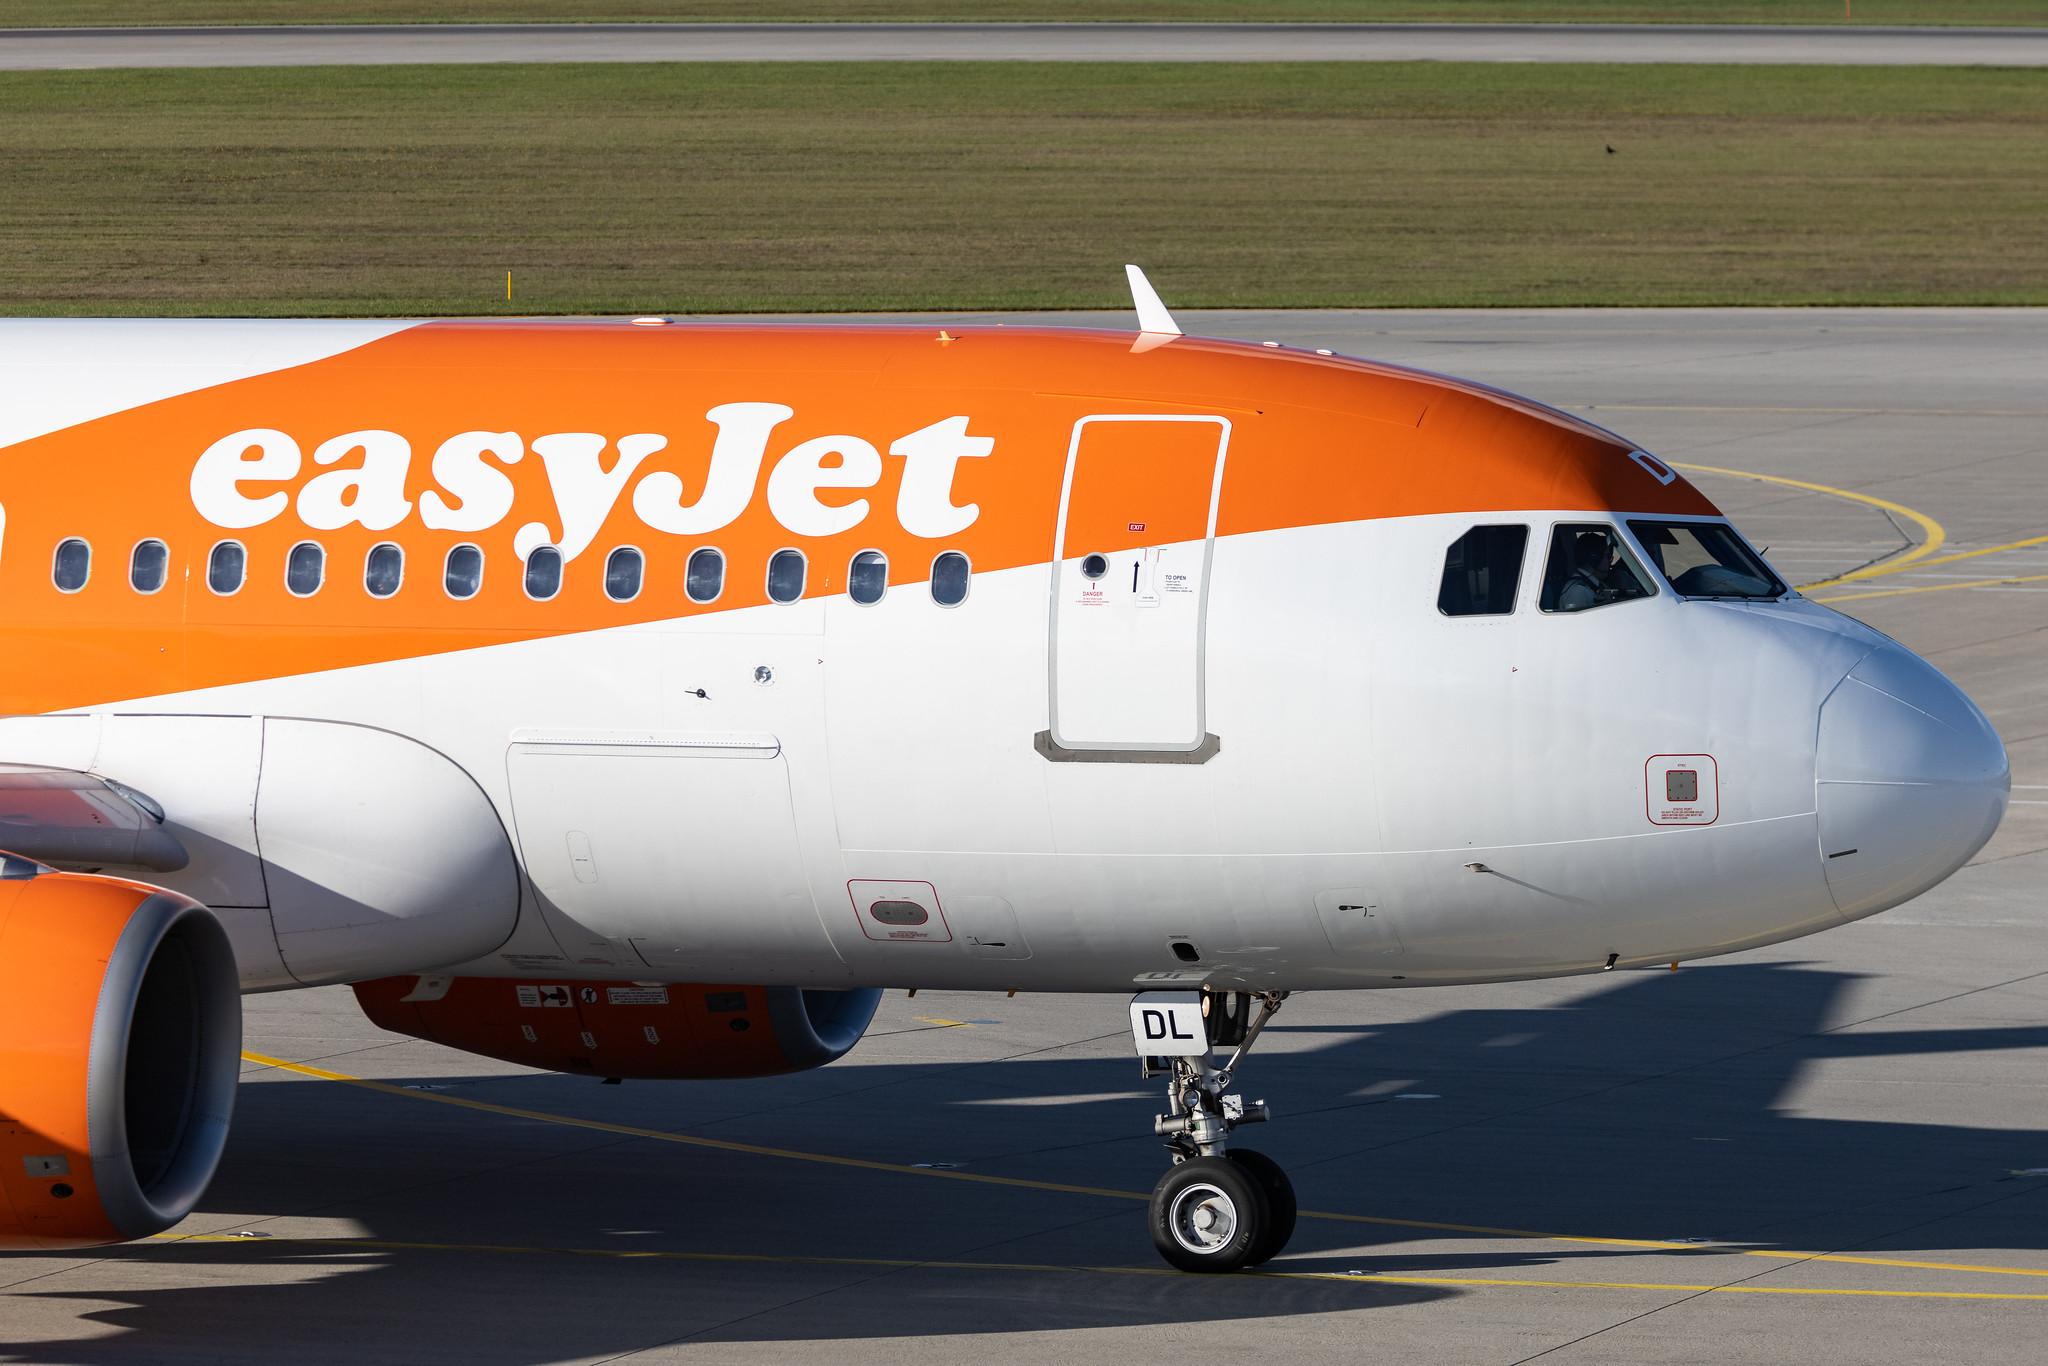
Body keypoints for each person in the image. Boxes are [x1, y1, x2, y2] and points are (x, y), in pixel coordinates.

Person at [1556, 531, 1615, 612]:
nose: (1610, 561)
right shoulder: (1578, 591)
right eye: (1607, 556)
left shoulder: (1595, 585)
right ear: (1594, 558)